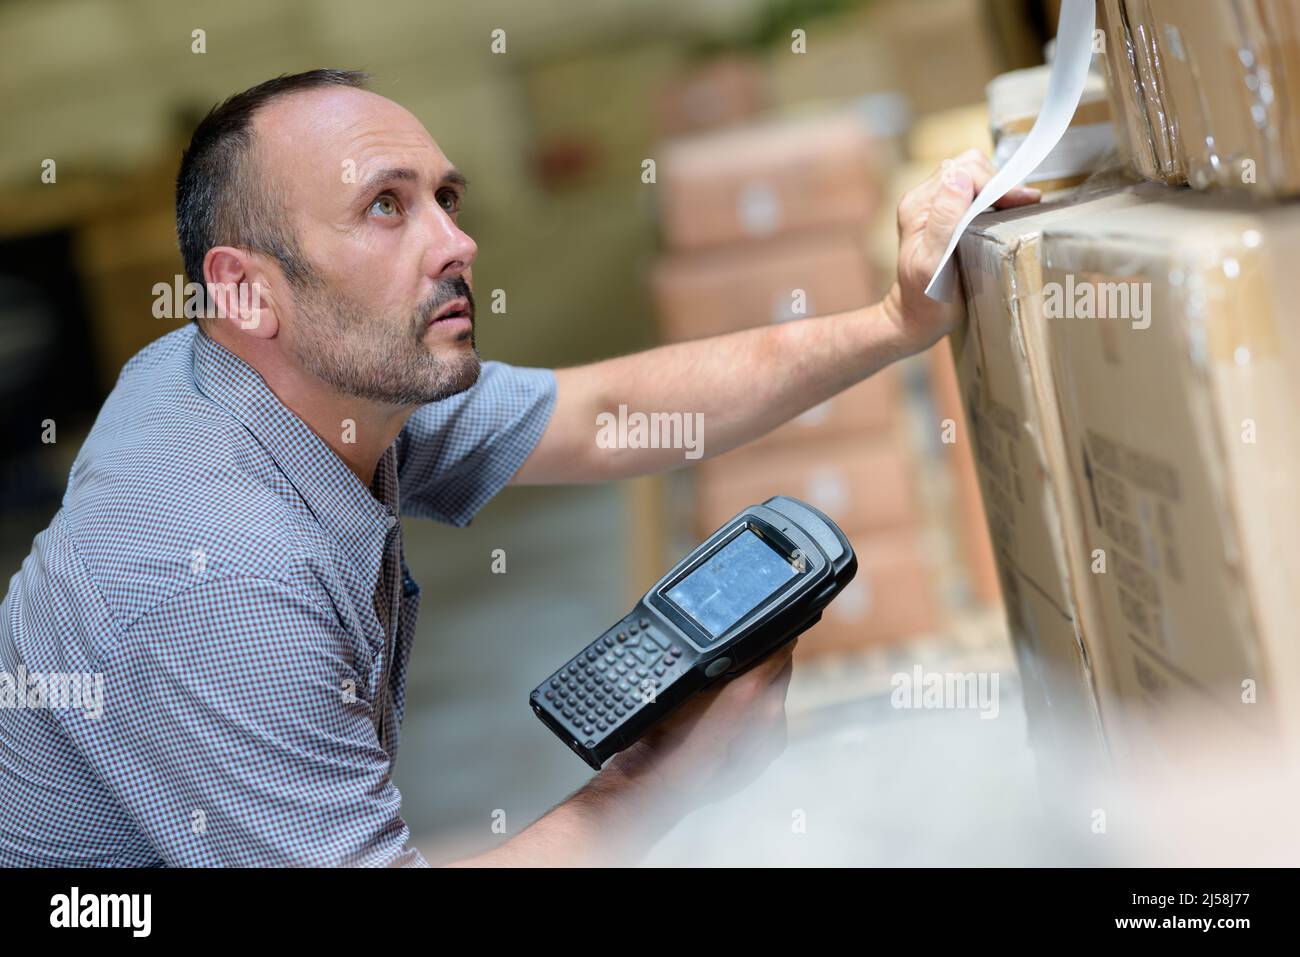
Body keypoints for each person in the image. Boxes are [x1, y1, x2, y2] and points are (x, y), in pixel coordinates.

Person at [0, 69, 1039, 867]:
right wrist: (661, 784)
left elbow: (610, 416)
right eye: (386, 207)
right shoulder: (217, 591)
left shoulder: (290, 383)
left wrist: (895, 323)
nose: (457, 242)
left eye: (445, 197)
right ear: (247, 292)